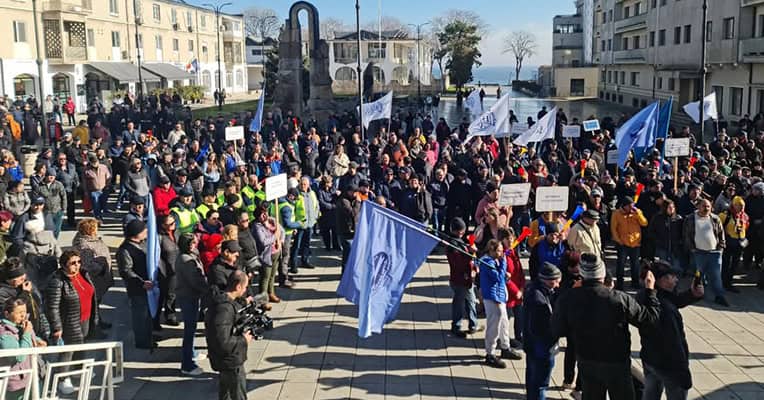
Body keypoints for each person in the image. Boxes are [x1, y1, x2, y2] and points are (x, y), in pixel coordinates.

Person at [552, 253, 660, 400]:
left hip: (587, 360)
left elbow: (557, 329)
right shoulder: (619, 299)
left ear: (582, 275)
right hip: (616, 362)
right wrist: (650, 291)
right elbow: (649, 319)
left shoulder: (568, 299)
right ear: (602, 275)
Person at [637, 260, 704, 400]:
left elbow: (672, 300)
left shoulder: (646, 295)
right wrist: (684, 374)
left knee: (650, 394)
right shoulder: (666, 311)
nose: (676, 280)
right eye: (672, 277)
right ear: (661, 280)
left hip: (650, 358)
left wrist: (692, 294)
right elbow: (674, 343)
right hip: (668, 366)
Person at [45, 250, 98, 395]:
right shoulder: (57, 281)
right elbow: (52, 307)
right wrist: (56, 327)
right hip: (68, 321)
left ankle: (77, 369)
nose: (77, 265)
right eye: (73, 263)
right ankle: (63, 378)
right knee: (68, 350)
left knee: (81, 345)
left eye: (79, 262)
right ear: (63, 265)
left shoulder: (83, 274)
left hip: (85, 317)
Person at [205, 270, 253, 400]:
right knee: (238, 394)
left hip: (224, 361)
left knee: (225, 393)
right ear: (238, 286)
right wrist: (244, 340)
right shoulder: (224, 309)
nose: (245, 290)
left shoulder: (223, 302)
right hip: (230, 362)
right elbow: (223, 342)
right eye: (245, 287)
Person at [523, 262, 562, 400]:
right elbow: (541, 328)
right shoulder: (540, 301)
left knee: (532, 378)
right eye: (556, 281)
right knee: (540, 383)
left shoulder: (533, 290)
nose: (558, 285)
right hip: (542, 348)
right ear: (547, 280)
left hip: (531, 345)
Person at [682, 199, 729, 306]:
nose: (706, 208)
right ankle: (698, 294)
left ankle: (719, 296)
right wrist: (691, 248)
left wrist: (721, 248)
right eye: (704, 206)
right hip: (699, 253)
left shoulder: (715, 218)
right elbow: (686, 235)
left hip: (715, 253)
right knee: (699, 275)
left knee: (716, 275)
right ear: (698, 206)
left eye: (708, 206)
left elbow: (721, 234)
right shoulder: (690, 219)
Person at [116, 220, 154, 349]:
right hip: (138, 288)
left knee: (148, 313)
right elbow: (126, 271)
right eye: (144, 230)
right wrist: (141, 283)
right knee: (140, 315)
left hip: (149, 285)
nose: (146, 232)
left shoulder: (143, 243)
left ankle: (149, 335)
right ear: (137, 233)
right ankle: (142, 340)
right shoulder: (125, 250)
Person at [71, 218, 114, 330]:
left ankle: (98, 321)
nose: (97, 230)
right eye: (95, 228)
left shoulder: (93, 240)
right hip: (93, 278)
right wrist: (101, 266)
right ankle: (93, 327)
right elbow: (87, 264)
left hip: (101, 276)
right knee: (92, 303)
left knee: (97, 302)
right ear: (89, 230)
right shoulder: (83, 245)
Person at [175, 233, 208, 376]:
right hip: (188, 296)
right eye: (193, 242)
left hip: (192, 296)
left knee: (192, 328)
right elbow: (194, 281)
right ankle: (187, 364)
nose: (196, 244)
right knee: (189, 330)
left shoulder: (191, 255)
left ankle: (192, 352)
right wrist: (206, 288)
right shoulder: (185, 259)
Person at [0, 298, 44, 400]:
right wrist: (27, 333)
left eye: (24, 311)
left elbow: (28, 338)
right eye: (19, 312)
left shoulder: (23, 326)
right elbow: (18, 356)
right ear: (7, 314)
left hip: (32, 377)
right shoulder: (4, 333)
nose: (23, 315)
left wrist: (37, 340)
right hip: (16, 384)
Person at [478, 239, 513, 368]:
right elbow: (497, 277)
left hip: (500, 295)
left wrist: (505, 274)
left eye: (502, 251)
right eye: (498, 251)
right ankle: (490, 353)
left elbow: (500, 277)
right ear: (491, 250)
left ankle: (505, 347)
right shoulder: (487, 262)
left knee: (504, 322)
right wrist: (504, 263)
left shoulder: (495, 260)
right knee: (494, 325)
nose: (501, 253)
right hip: (492, 297)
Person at [446, 217, 478, 338]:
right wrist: (470, 253)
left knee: (470, 301)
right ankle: (457, 326)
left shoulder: (457, 242)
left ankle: (472, 324)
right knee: (461, 303)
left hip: (464, 278)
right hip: (460, 279)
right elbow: (459, 263)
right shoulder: (453, 246)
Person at [610, 196, 648, 290]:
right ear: (625, 206)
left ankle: (635, 283)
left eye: (632, 206)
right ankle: (620, 284)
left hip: (635, 243)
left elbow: (645, 223)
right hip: (623, 243)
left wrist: (638, 214)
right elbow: (613, 228)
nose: (632, 208)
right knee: (621, 264)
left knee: (635, 265)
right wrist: (618, 240)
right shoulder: (616, 214)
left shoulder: (637, 212)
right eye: (630, 206)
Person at [717, 196, 748, 294]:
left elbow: (746, 227)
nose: (742, 208)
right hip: (729, 242)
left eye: (743, 206)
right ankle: (722, 282)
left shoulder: (744, 216)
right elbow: (717, 227)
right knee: (726, 263)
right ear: (734, 205)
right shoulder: (725, 215)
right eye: (739, 205)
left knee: (735, 264)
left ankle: (729, 283)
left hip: (739, 243)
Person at [252, 203, 280, 307]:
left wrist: (278, 236)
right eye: (262, 214)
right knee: (265, 277)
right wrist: (274, 237)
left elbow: (279, 230)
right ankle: (263, 300)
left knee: (272, 275)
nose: (265, 216)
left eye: (266, 213)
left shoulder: (270, 221)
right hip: (266, 255)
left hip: (275, 252)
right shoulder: (257, 227)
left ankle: (271, 293)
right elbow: (263, 241)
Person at [157, 213, 180, 328]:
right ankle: (168, 315)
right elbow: (158, 256)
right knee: (167, 294)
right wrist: (162, 269)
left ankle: (170, 313)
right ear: (163, 225)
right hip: (166, 270)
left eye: (174, 222)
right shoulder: (159, 237)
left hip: (177, 268)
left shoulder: (177, 233)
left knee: (173, 294)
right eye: (170, 224)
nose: (173, 225)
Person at [83, 154, 111, 222]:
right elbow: (84, 181)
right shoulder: (87, 170)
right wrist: (86, 191)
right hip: (93, 191)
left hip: (103, 190)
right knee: (96, 205)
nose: (95, 164)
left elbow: (108, 177)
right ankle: (98, 218)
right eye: (93, 163)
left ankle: (100, 215)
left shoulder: (104, 167)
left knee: (102, 204)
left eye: (96, 162)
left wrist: (107, 186)